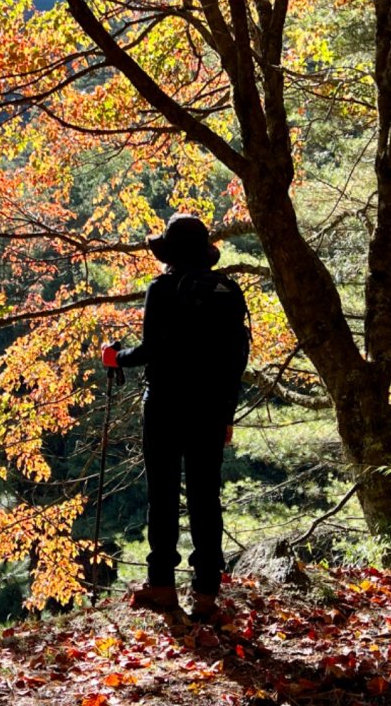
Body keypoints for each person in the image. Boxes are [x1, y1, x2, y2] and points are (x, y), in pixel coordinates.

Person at [102, 213, 248, 620]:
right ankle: (205, 595)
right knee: (205, 498)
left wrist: (115, 357)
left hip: (165, 405)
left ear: (170, 254)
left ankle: (162, 586)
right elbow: (236, 360)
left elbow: (150, 351)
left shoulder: (163, 288)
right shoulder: (228, 292)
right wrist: (226, 416)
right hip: (210, 410)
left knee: (163, 495)